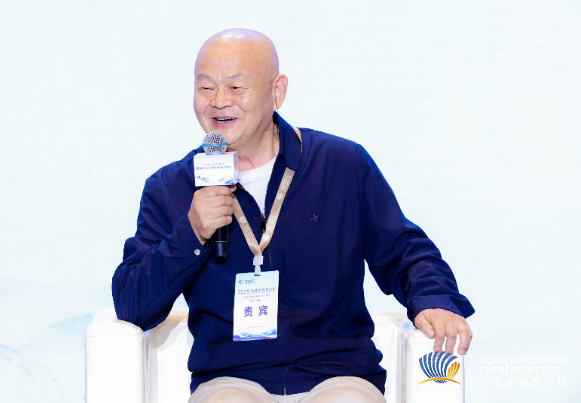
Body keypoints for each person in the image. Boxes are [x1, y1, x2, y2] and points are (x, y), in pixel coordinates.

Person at [112, 29, 474, 403]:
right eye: (206, 88)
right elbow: (132, 304)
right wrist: (191, 232)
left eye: (236, 87)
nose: (219, 101)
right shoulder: (170, 187)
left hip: (337, 374)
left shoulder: (341, 164)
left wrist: (435, 300)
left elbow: (405, 251)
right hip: (230, 380)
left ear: (277, 91)